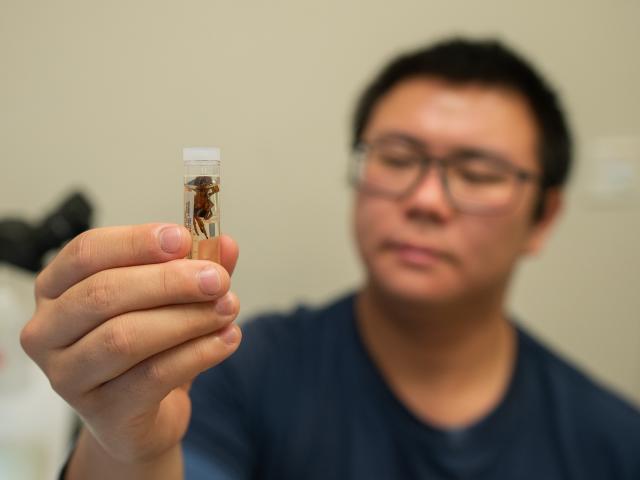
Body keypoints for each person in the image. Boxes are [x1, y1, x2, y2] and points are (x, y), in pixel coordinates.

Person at [21, 38, 640, 480]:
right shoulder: (234, 372)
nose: (425, 199)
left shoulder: (613, 440)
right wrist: (131, 449)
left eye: (477, 173)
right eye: (397, 158)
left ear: (545, 217)